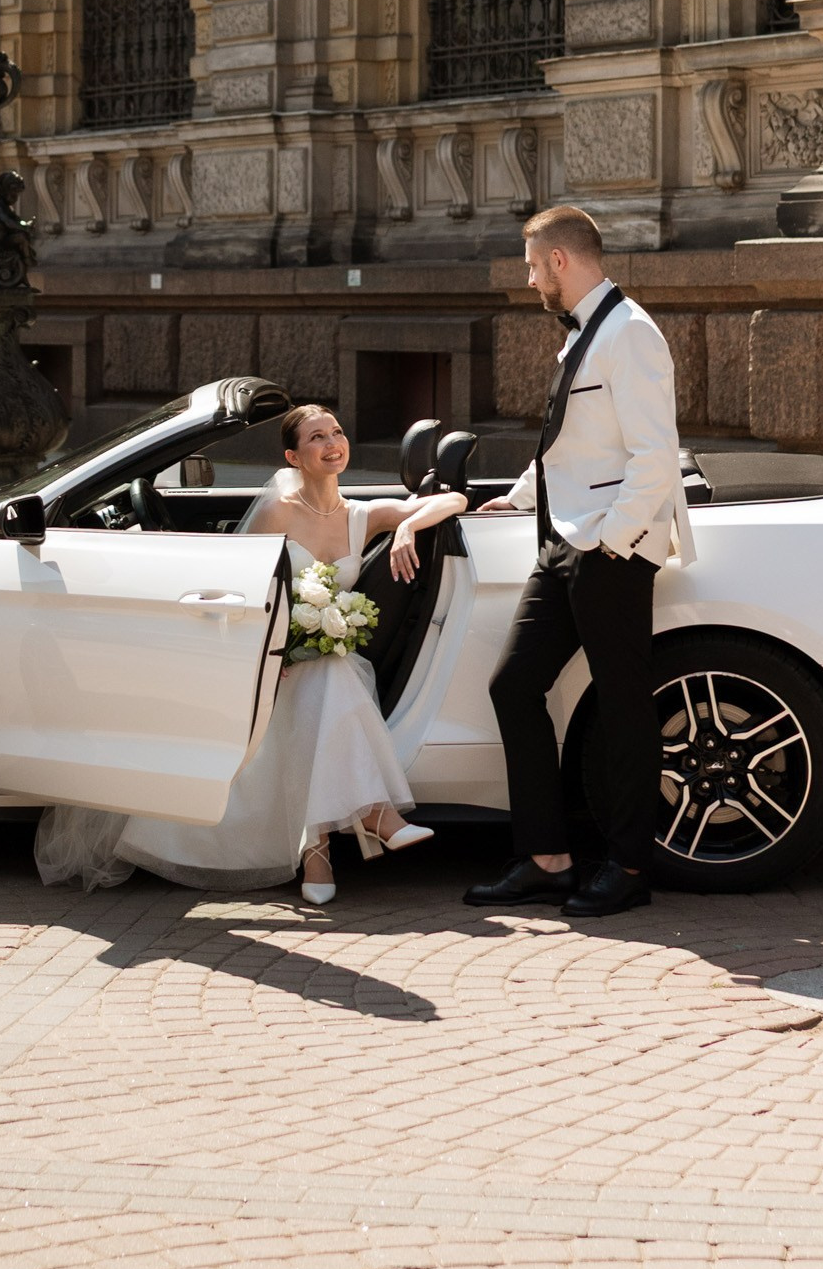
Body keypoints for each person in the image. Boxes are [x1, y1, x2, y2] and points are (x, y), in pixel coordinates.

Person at [36, 402, 466, 904]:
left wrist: (408, 526)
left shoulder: (361, 515)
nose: (332, 444)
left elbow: (455, 499)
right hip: (267, 657)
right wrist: (270, 654)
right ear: (293, 457)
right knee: (330, 675)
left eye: (336, 432)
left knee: (329, 671)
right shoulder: (277, 511)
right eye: (316, 438)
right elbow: (240, 587)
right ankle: (368, 818)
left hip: (317, 659)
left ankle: (320, 852)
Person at [467, 204, 695, 922]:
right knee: (514, 686)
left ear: (560, 261)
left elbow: (655, 454)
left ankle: (629, 868)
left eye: (534, 266)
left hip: (607, 549)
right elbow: (574, 443)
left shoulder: (629, 332)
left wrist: (613, 542)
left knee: (624, 706)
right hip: (563, 541)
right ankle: (547, 860)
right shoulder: (585, 333)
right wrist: (516, 498)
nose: (532, 279)